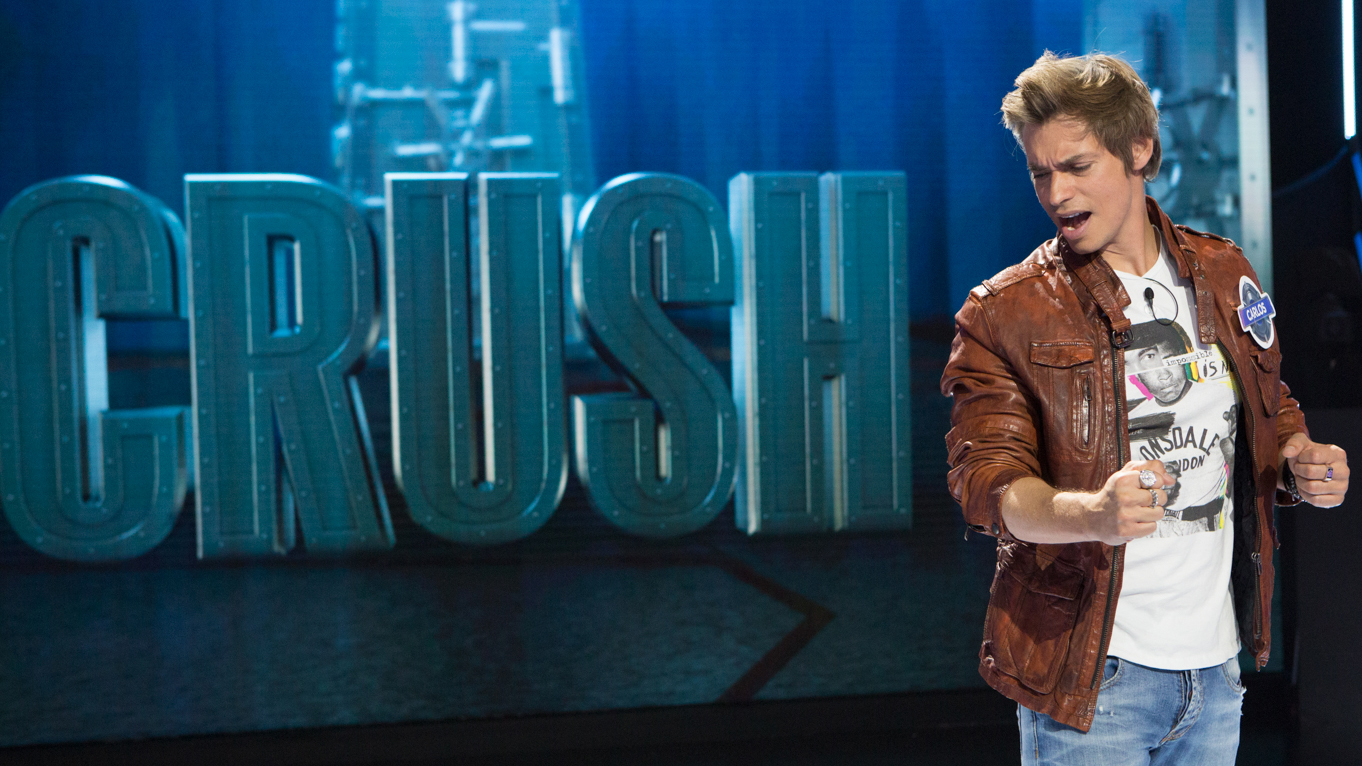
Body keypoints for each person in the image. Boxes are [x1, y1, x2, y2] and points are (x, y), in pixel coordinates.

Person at [939, 51, 1350, 765]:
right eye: (1039, 173)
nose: (1056, 192)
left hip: (1215, 672)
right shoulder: (1004, 312)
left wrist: (1299, 458)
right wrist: (1091, 514)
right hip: (1094, 682)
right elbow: (988, 484)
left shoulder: (1224, 272)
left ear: (1139, 150)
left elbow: (1267, 403)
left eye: (1076, 166)